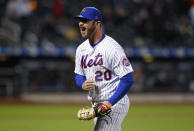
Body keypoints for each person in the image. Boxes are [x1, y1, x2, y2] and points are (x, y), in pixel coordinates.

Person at [74, 7, 134, 131]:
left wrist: (109, 103)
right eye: (80, 20)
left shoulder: (112, 48)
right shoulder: (81, 49)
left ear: (97, 24)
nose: (81, 23)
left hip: (115, 102)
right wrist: (82, 83)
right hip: (96, 105)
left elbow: (127, 78)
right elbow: (78, 75)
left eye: (85, 20)